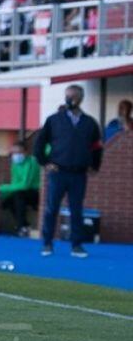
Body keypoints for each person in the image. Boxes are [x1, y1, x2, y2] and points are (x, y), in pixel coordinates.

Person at [34, 85, 103, 258]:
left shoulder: (89, 123)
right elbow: (39, 142)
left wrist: (95, 166)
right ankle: (47, 243)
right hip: (58, 171)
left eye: (72, 96)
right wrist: (45, 162)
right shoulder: (54, 120)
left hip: (78, 173)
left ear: (80, 98)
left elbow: (96, 147)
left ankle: (76, 246)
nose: (69, 99)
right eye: (67, 96)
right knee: (52, 208)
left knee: (76, 210)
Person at [0, 141, 41, 237]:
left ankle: (21, 228)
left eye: (19, 152)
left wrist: (2, 188)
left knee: (19, 195)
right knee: (6, 202)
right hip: (23, 193)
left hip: (36, 193)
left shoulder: (32, 162)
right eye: (14, 153)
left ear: (26, 152)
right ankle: (24, 226)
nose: (16, 155)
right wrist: (1, 193)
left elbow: (25, 185)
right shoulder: (15, 164)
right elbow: (15, 184)